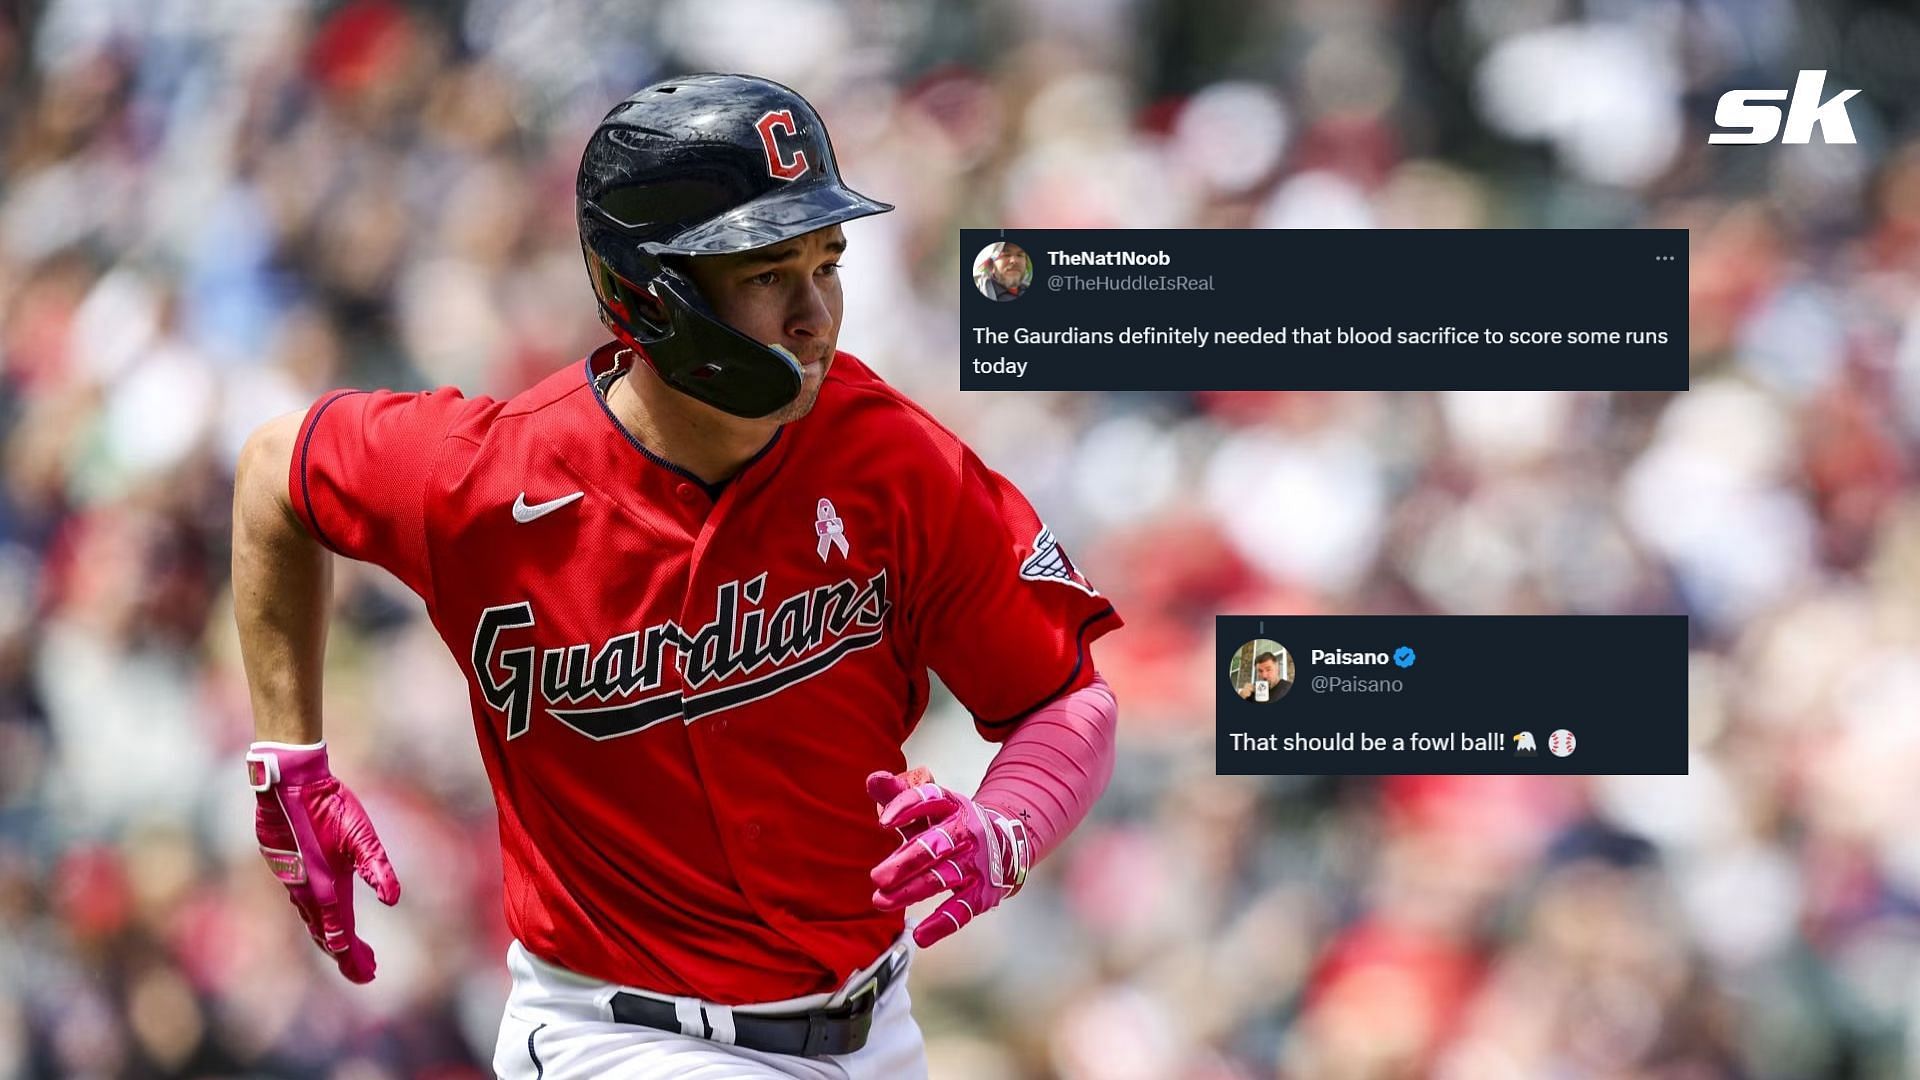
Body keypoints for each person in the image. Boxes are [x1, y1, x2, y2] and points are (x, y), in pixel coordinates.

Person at [230, 73, 1122, 1079]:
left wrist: (1007, 825)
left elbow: (1065, 700)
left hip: (875, 1029)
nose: (815, 312)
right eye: (767, 273)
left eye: (827, 263)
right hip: (620, 1036)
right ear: (648, 291)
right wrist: (287, 757)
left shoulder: (890, 459)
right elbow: (276, 472)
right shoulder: (487, 479)